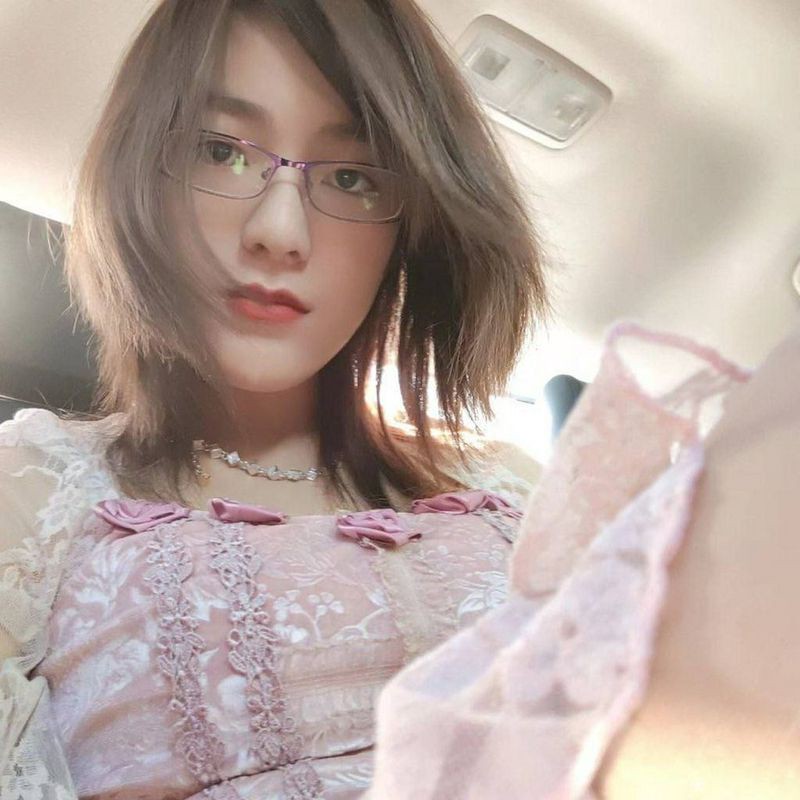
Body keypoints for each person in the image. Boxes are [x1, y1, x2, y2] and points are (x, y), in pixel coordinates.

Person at [0, 1, 544, 798]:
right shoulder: (29, 488)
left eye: (352, 176)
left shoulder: (518, 489)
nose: (280, 230)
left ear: (410, 233)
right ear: (140, 172)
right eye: (221, 151)